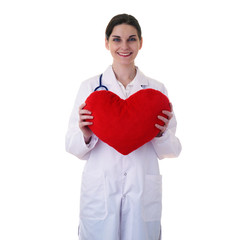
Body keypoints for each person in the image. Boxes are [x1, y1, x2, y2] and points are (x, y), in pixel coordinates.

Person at [65, 13, 181, 240]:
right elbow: (72, 146)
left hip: (141, 192)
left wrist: (160, 134)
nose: (124, 46)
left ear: (141, 42)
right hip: (100, 194)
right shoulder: (89, 88)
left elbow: (172, 151)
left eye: (131, 39)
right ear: (106, 42)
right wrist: (86, 135)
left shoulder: (156, 91)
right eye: (117, 39)